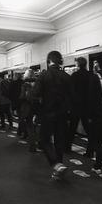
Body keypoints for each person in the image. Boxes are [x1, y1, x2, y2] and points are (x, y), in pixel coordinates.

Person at [31, 51, 71, 180]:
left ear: (49, 61)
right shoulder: (67, 76)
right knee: (59, 142)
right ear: (60, 61)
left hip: (48, 113)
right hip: (62, 115)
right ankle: (59, 168)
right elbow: (72, 97)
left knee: (44, 140)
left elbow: (34, 95)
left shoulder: (44, 75)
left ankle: (56, 164)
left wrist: (37, 112)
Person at [67, 57, 93, 157]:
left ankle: (67, 147)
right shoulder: (91, 75)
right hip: (87, 106)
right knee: (89, 130)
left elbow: (71, 91)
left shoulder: (74, 75)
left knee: (72, 128)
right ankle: (90, 151)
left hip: (76, 106)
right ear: (85, 64)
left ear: (77, 64)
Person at [19, 69, 37, 152]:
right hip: (37, 108)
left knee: (30, 127)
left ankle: (32, 147)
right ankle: (41, 144)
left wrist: (20, 98)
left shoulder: (25, 85)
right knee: (37, 127)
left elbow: (22, 96)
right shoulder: (37, 83)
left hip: (28, 108)